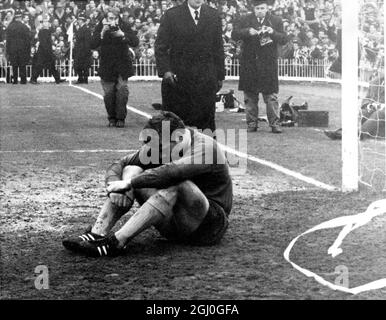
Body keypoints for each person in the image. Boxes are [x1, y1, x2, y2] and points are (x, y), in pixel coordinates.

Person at [62, 111, 233, 257]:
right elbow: (119, 165)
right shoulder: (161, 144)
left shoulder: (206, 148)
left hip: (208, 228)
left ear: (179, 138)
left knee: (177, 184)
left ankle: (115, 243)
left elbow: (172, 172)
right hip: (175, 225)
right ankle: (96, 233)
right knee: (131, 168)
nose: (154, 152)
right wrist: (116, 186)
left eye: (159, 147)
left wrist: (129, 183)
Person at [154, 0, 225, 132]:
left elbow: (218, 48)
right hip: (178, 79)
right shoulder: (172, 15)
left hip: (205, 78)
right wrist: (166, 71)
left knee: (206, 124)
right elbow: (160, 46)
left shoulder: (213, 15)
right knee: (174, 124)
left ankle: (205, 151)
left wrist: (220, 75)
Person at [232, 0, 288, 133]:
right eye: (257, 8)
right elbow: (234, 34)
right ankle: (252, 124)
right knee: (250, 96)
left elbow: (284, 39)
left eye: (262, 8)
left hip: (268, 64)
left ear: (267, 8)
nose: (260, 11)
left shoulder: (276, 20)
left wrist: (272, 32)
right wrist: (247, 32)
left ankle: (275, 124)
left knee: (271, 96)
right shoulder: (245, 19)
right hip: (249, 63)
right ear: (253, 9)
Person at [90, 7, 139, 128]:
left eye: (115, 18)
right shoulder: (100, 27)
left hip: (122, 65)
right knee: (109, 94)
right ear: (106, 19)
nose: (112, 21)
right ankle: (112, 117)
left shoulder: (124, 26)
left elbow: (135, 41)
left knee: (122, 90)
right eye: (110, 18)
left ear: (118, 18)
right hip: (107, 65)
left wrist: (122, 34)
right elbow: (92, 44)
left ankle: (120, 118)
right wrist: (102, 33)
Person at [30, 17, 65, 84]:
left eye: (47, 22)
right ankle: (33, 79)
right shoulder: (43, 31)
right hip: (44, 51)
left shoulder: (46, 31)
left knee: (51, 66)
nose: (47, 23)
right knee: (40, 66)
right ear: (43, 24)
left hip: (46, 51)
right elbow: (44, 43)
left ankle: (57, 79)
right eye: (45, 22)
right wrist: (48, 51)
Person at [5, 10, 31, 84]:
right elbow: (28, 40)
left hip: (12, 49)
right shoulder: (24, 27)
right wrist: (28, 50)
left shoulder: (10, 27)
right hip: (22, 49)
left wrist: (7, 51)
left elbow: (8, 40)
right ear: (20, 18)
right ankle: (23, 80)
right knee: (22, 65)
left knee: (14, 65)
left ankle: (15, 80)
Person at [73, 13, 92, 84]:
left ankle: (85, 79)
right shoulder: (80, 28)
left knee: (85, 66)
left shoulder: (86, 29)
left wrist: (86, 51)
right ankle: (80, 78)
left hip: (84, 50)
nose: (78, 21)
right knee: (78, 66)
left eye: (79, 20)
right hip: (79, 50)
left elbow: (87, 41)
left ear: (82, 20)